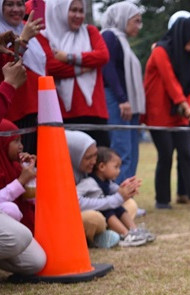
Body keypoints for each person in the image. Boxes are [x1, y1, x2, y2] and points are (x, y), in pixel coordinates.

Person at [143, 17, 190, 210]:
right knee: (165, 154)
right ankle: (162, 200)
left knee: (186, 153)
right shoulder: (160, 51)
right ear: (183, 34)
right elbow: (170, 81)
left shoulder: (189, 57)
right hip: (159, 113)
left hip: (180, 113)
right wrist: (187, 108)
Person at [37, 0, 109, 146]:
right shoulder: (44, 36)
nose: (78, 15)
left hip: (95, 111)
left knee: (101, 162)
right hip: (63, 114)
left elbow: (103, 56)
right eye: (73, 10)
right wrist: (84, 67)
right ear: (59, 10)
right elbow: (51, 67)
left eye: (81, 10)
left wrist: (68, 57)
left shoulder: (90, 31)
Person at [67, 129, 138, 248]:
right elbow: (73, 202)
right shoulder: (71, 175)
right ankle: (109, 235)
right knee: (94, 218)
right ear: (75, 155)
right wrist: (113, 200)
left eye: (95, 155)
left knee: (129, 204)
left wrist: (123, 189)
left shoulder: (88, 171)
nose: (94, 161)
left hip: (102, 209)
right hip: (78, 216)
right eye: (88, 157)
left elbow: (108, 189)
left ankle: (119, 233)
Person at [100, 1, 144, 184]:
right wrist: (122, 99)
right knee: (121, 151)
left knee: (132, 150)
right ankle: (120, 198)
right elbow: (107, 68)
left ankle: (129, 197)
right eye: (136, 21)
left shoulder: (123, 40)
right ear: (122, 18)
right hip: (117, 100)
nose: (139, 26)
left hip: (127, 102)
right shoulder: (109, 36)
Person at [76, 146, 153, 247]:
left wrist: (126, 188)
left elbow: (117, 192)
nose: (119, 171)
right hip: (96, 214)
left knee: (118, 206)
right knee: (109, 210)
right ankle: (126, 235)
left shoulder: (107, 182)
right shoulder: (88, 182)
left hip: (105, 214)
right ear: (102, 167)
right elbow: (74, 197)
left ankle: (134, 230)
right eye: (116, 167)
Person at [0, 4, 43, 154]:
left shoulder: (29, 28)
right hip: (10, 112)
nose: (16, 9)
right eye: (9, 4)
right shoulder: (25, 32)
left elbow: (49, 62)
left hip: (34, 110)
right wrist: (23, 40)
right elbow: (7, 65)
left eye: (19, 3)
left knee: (31, 163)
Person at [0, 118, 35, 231]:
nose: (21, 146)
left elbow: (33, 200)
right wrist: (20, 182)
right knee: (10, 210)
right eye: (16, 141)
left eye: (21, 141)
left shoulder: (15, 166)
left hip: (24, 228)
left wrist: (29, 169)